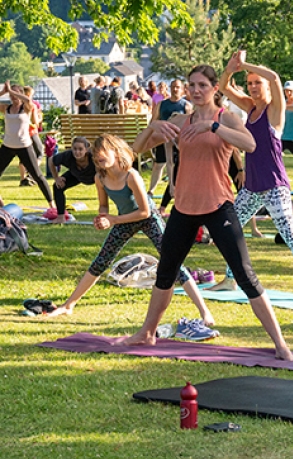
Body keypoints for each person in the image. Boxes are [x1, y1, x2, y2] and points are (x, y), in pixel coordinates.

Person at [117, 64, 293, 361]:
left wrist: (212, 127)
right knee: (166, 272)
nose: (196, 90)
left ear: (214, 88)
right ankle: (147, 333)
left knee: (245, 274)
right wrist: (151, 127)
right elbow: (134, 150)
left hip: (218, 206)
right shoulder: (178, 120)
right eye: (192, 85)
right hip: (184, 208)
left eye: (202, 85)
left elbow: (251, 145)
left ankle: (281, 345)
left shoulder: (225, 118)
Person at [43, 134, 213, 323]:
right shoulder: (100, 178)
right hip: (123, 220)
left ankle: (205, 312)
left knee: (172, 262)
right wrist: (102, 217)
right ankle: (68, 306)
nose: (99, 156)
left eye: (103, 152)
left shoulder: (131, 176)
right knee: (101, 260)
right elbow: (104, 206)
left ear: (116, 152)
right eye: (96, 153)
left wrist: (113, 220)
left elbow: (145, 212)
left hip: (147, 218)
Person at [208, 51, 293, 304]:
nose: (253, 87)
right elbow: (224, 87)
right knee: (230, 230)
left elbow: (276, 77)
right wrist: (231, 67)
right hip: (251, 187)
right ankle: (229, 279)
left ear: (267, 86)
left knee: (290, 235)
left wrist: (246, 64)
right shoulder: (250, 107)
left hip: (275, 186)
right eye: (249, 83)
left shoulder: (275, 110)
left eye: (257, 82)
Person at [0, 82, 53, 208]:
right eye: (11, 94)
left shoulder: (27, 107)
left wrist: (13, 92)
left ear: (21, 94)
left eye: (16, 93)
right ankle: (1, 205)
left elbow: (28, 99)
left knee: (38, 176)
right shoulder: (6, 108)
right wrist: (4, 91)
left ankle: (52, 205)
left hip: (24, 146)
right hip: (8, 146)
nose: (13, 97)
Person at [156, 80, 191, 209]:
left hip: (187, 145)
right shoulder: (162, 105)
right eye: (173, 87)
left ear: (182, 89)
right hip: (165, 139)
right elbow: (169, 162)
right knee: (163, 166)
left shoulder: (186, 106)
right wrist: (171, 183)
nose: (175, 89)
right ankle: (163, 206)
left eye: (178, 87)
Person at [48, 136, 96, 217]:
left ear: (86, 150)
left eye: (80, 149)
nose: (77, 152)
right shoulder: (68, 155)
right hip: (76, 175)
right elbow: (51, 160)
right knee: (58, 186)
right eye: (75, 149)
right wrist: (56, 178)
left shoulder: (94, 156)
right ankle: (61, 216)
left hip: (96, 176)